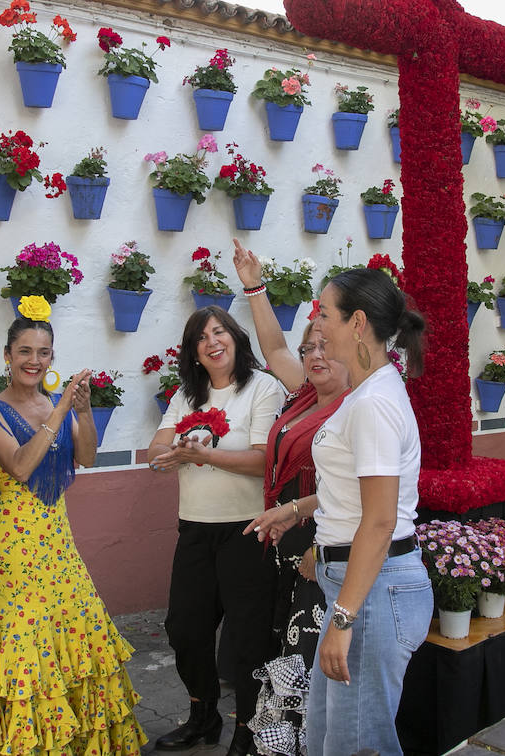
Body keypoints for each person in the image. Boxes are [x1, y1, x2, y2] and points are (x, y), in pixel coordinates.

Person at [246, 267, 431, 756]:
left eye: (324, 312)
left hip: (371, 588)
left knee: (358, 745)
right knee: (332, 741)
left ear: (357, 322)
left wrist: (344, 619)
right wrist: (298, 508)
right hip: (358, 587)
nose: (316, 323)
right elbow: (355, 491)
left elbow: (380, 519)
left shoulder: (373, 403)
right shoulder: (366, 394)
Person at [0, 308, 146, 755]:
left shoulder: (54, 404)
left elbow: (85, 457)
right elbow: (21, 466)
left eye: (43, 353)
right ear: (7, 355)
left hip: (57, 541)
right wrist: (61, 407)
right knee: (22, 640)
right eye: (24, 351)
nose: (35, 360)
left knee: (76, 629)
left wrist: (80, 410)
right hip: (11, 546)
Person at [146, 306, 286, 755]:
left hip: (248, 531)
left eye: (219, 332)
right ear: (194, 353)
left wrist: (203, 456)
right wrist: (167, 455)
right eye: (201, 338)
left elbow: (264, 461)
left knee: (247, 638)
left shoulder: (263, 387)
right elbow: (157, 448)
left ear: (235, 339)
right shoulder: (188, 396)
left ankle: (247, 728)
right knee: (184, 628)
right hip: (195, 530)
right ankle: (202, 716)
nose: (212, 342)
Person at [231, 239, 350, 756]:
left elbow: (358, 494)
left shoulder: (355, 405)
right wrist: (254, 285)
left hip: (319, 544)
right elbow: (274, 348)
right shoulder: (307, 390)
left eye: (325, 345)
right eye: (310, 348)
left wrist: (316, 547)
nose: (314, 355)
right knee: (275, 646)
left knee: (303, 658)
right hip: (282, 537)